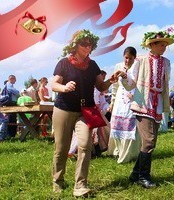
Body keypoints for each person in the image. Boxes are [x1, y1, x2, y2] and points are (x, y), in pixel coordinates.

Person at [51, 29, 117, 197]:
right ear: (75, 45)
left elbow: (101, 87)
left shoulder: (93, 65)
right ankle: (58, 181)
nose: (88, 47)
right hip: (64, 109)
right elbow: (54, 84)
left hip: (85, 111)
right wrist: (64, 87)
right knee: (61, 148)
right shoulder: (64, 63)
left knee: (85, 145)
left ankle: (80, 185)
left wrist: (111, 80)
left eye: (90, 44)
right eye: (84, 44)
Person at [116, 29, 174, 188]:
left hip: (157, 105)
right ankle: (144, 176)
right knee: (148, 141)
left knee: (151, 142)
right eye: (162, 44)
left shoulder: (167, 62)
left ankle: (135, 174)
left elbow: (164, 83)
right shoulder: (140, 60)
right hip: (143, 103)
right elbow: (132, 82)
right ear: (152, 45)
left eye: (165, 45)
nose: (164, 47)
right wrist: (124, 76)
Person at [108, 46, 141, 163]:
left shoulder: (138, 67)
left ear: (134, 58)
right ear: (123, 56)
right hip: (119, 100)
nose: (128, 61)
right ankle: (117, 150)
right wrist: (112, 100)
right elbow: (115, 85)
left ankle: (130, 153)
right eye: (126, 58)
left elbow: (137, 83)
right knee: (117, 125)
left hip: (132, 99)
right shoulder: (118, 66)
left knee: (130, 126)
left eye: (130, 58)